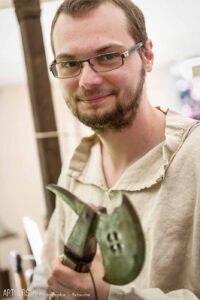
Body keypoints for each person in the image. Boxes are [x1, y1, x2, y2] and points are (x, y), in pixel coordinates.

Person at [29, 0, 200, 299]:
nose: (88, 81)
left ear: (147, 55)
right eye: (69, 63)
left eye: (108, 56)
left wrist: (111, 295)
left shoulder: (194, 158)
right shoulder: (78, 165)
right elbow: (45, 279)